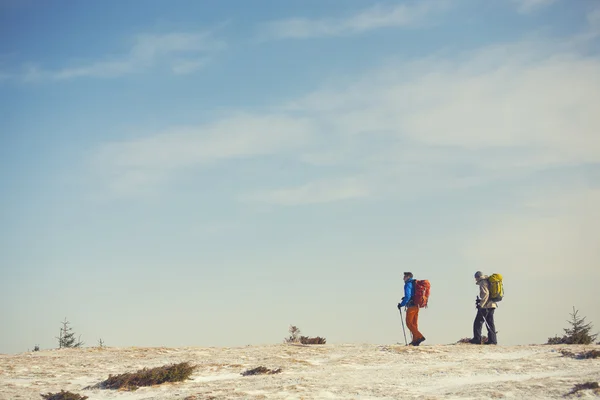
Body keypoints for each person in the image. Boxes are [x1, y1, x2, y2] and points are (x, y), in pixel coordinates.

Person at [397, 272, 426, 346]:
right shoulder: (414, 284)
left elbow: (408, 296)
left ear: (408, 277)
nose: (403, 278)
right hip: (416, 306)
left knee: (409, 323)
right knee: (414, 324)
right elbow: (412, 295)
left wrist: (401, 304)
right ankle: (415, 340)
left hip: (411, 307)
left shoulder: (408, 284)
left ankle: (419, 336)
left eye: (405, 277)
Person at [470, 271, 498, 345]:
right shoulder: (488, 281)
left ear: (477, 277)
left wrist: (481, 304)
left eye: (475, 278)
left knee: (477, 322)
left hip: (486, 306)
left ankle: (477, 339)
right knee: (490, 323)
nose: (475, 280)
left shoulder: (482, 282)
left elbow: (486, 294)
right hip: (492, 305)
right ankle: (493, 340)